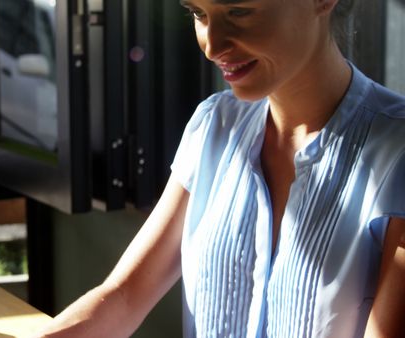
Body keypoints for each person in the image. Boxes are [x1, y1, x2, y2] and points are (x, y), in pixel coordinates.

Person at [32, 0, 405, 337]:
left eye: (238, 11)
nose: (212, 46)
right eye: (198, 13)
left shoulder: (397, 155)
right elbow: (124, 296)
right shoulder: (215, 126)